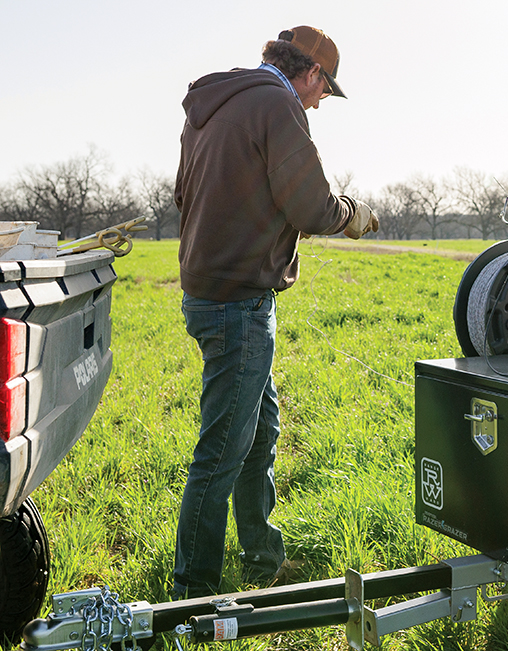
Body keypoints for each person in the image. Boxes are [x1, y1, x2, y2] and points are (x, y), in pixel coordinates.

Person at [172, 25, 378, 599]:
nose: (319, 103)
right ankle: (194, 596)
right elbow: (310, 205)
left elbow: (183, 192)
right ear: (310, 73)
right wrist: (350, 215)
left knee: (260, 429)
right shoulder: (278, 105)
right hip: (239, 301)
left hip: (209, 292)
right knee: (222, 450)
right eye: (323, 91)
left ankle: (262, 557)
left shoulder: (215, 103)